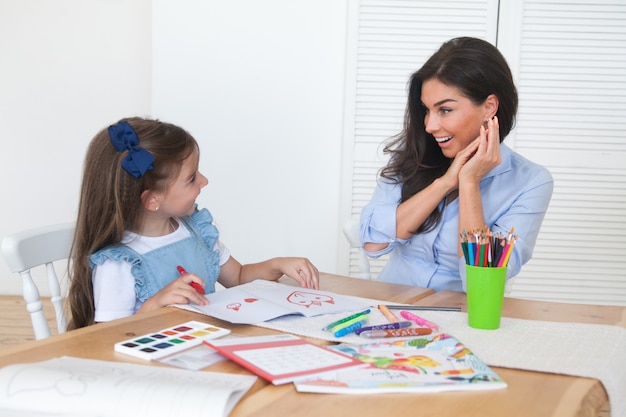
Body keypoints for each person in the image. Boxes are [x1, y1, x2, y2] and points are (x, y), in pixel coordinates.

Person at [67, 117, 319, 330]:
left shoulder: (197, 230)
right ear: (152, 200)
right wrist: (153, 306)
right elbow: (106, 339)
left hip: (208, 350)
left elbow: (239, 277)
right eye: (191, 178)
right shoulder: (119, 263)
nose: (204, 180)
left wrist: (277, 265)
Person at [360, 37, 553, 292]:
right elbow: (373, 244)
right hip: (390, 304)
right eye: (426, 110)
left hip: (461, 314)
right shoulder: (412, 157)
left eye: (445, 110)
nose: (429, 126)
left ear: (489, 107)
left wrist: (469, 182)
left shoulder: (531, 182)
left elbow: (481, 279)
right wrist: (444, 183)